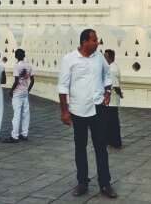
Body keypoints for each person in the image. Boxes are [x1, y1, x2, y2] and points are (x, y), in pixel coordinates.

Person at [58, 28, 117, 199]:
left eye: (96, 40)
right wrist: (64, 112)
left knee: (101, 147)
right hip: (78, 109)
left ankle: (105, 184)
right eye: (94, 40)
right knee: (80, 147)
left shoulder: (99, 57)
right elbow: (63, 87)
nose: (97, 42)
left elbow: (107, 75)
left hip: (97, 108)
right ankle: (82, 182)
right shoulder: (69, 59)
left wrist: (107, 92)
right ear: (84, 42)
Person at [4, 48, 34, 143]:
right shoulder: (29, 65)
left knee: (16, 115)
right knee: (26, 114)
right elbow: (33, 80)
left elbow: (16, 81)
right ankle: (24, 134)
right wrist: (28, 90)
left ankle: (14, 136)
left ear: (16, 56)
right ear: (23, 55)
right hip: (25, 93)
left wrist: (11, 91)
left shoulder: (17, 66)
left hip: (17, 93)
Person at [103, 49, 123, 148]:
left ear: (110, 57)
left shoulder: (112, 69)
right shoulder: (113, 67)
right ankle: (110, 140)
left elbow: (115, 85)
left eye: (105, 56)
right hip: (111, 99)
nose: (104, 58)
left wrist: (120, 94)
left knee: (113, 122)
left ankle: (115, 142)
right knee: (109, 121)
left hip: (111, 100)